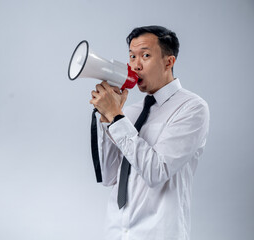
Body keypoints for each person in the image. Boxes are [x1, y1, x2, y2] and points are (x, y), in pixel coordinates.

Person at [89, 25, 210, 240]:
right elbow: (109, 176)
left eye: (145, 55)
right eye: (132, 56)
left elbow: (157, 172)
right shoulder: (130, 113)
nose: (136, 65)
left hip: (159, 232)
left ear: (168, 62)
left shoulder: (192, 108)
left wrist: (116, 117)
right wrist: (107, 119)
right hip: (116, 231)